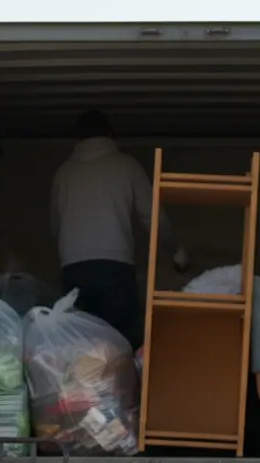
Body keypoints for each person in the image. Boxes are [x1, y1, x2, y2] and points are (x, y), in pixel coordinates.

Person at [49, 109, 187, 350]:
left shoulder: (63, 172)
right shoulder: (126, 165)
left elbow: (55, 226)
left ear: (77, 138)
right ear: (111, 134)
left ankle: (81, 388)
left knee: (77, 349)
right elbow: (152, 217)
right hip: (115, 268)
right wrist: (175, 250)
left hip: (73, 268)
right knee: (120, 346)